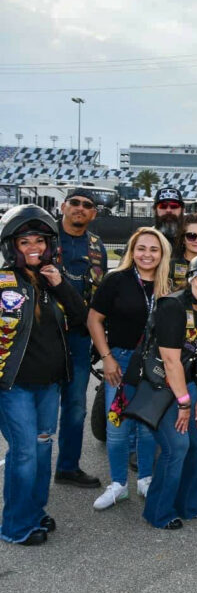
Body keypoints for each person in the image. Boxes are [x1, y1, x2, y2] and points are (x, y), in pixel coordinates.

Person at [0, 205, 87, 546]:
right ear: (12, 245)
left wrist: (61, 284)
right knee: (23, 454)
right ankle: (14, 526)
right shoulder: (4, 281)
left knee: (40, 452)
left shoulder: (52, 279)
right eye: (25, 241)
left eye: (39, 240)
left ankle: (33, 511)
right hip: (14, 386)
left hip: (49, 385)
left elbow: (80, 317)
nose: (33, 246)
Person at [87, 227, 171, 509]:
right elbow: (94, 320)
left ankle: (145, 479)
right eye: (141, 248)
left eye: (153, 249)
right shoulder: (115, 280)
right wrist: (107, 357)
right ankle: (118, 484)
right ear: (132, 251)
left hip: (152, 365)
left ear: (162, 254)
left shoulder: (167, 285)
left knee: (147, 427)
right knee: (117, 427)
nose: (147, 254)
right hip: (120, 362)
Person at [141, 254, 197, 530]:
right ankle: (159, 512)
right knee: (177, 446)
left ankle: (190, 505)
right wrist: (186, 405)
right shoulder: (172, 306)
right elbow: (170, 360)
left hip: (186, 384)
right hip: (158, 384)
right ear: (190, 278)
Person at [53, 188, 107, 489]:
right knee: (42, 404)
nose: (80, 209)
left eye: (87, 205)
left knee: (75, 405)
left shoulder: (97, 245)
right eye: (75, 203)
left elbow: (101, 296)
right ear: (64, 206)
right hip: (45, 335)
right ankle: (32, 461)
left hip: (79, 337)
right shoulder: (45, 237)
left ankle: (67, 467)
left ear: (93, 213)